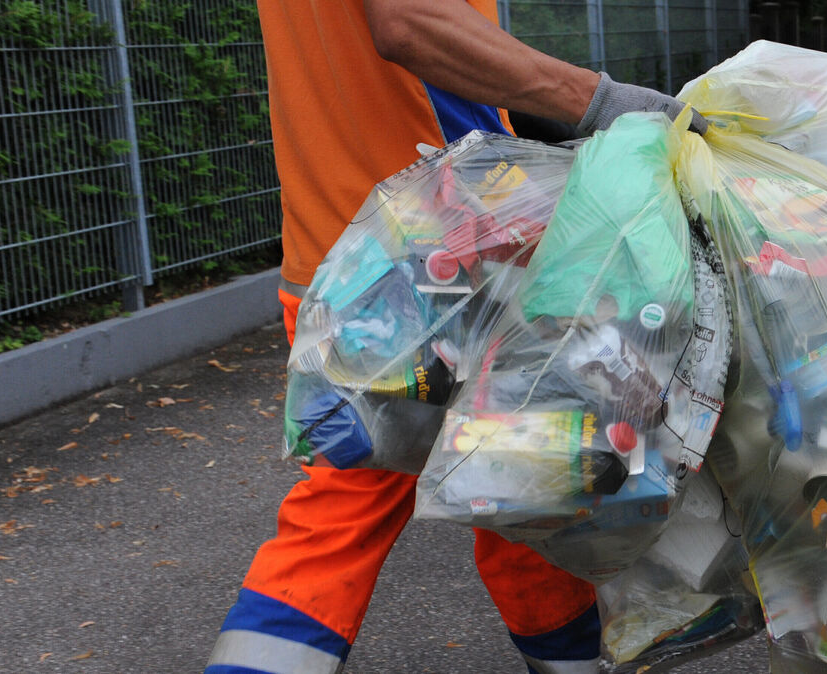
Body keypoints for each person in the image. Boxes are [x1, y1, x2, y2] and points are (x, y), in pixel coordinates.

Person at [204, 1, 703, 672]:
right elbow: (411, 22)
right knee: (505, 480)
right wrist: (601, 102)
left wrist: (519, 115)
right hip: (436, 257)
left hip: (346, 254)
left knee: (523, 491)